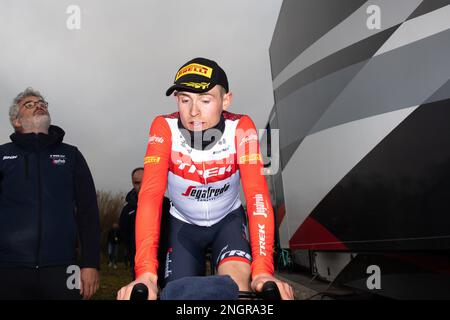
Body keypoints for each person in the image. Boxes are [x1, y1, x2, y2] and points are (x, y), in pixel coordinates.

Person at [118, 58, 294, 300]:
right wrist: (146, 273)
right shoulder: (163, 127)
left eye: (205, 100)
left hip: (228, 222)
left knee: (236, 291)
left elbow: (257, 197)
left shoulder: (241, 127)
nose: (193, 111)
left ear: (226, 100)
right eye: (185, 99)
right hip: (183, 228)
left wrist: (263, 270)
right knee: (180, 295)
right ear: (176, 100)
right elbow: (150, 198)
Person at [0, 88, 101, 300]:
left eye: (42, 102)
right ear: (16, 121)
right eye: (29, 104)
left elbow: (88, 213)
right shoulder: (2, 155)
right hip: (8, 267)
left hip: (63, 267)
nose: (39, 104)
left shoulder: (71, 155)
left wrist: (90, 264)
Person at [119, 167, 170, 281]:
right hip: (139, 262)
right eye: (137, 182)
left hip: (165, 260)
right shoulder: (128, 210)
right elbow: (124, 234)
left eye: (144, 180)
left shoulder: (166, 204)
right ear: (133, 183)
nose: (141, 185)